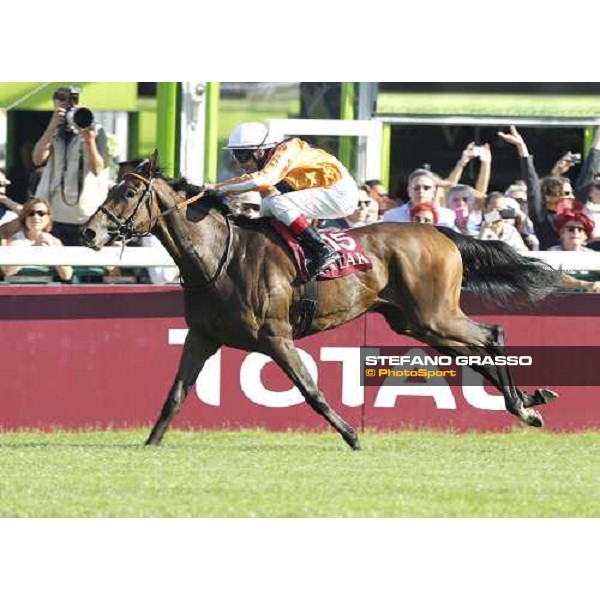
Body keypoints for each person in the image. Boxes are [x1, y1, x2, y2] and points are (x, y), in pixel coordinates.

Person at [206, 122, 359, 280]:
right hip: (324, 193)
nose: (239, 163)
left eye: (242, 155)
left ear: (260, 151)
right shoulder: (270, 161)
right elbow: (257, 183)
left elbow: (260, 180)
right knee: (267, 203)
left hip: (340, 194)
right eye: (235, 155)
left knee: (277, 202)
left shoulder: (286, 151)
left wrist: (215, 188)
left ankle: (322, 250)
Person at [32, 85, 109, 246]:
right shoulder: (53, 129)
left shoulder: (95, 129)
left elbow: (98, 169)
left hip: (85, 215)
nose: (69, 105)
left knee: (83, 266)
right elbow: (38, 159)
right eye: (62, 100)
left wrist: (88, 140)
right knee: (55, 267)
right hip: (53, 214)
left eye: (74, 100)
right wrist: (52, 126)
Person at [2, 197, 72, 281]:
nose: (36, 217)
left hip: (45, 290)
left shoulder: (54, 242)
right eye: (31, 213)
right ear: (25, 218)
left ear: (48, 218)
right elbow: (8, 271)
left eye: (41, 213)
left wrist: (54, 251)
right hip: (17, 290)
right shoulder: (14, 241)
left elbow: (67, 275)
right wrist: (34, 248)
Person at [383, 168, 456, 228]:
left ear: (434, 191)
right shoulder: (392, 216)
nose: (421, 191)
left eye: (426, 188)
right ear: (409, 190)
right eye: (416, 188)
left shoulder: (447, 216)